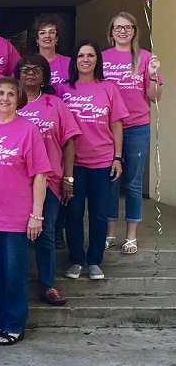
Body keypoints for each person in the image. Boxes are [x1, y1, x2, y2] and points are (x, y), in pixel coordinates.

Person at [0, 77, 51, 346]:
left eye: (10, 94)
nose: (5, 98)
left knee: (14, 274)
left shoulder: (28, 130)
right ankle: (0, 321)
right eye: (0, 93)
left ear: (19, 99)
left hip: (16, 217)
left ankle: (15, 325)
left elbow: (40, 175)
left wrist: (36, 214)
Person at [57, 40, 128, 280]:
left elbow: (116, 124)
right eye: (80, 56)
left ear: (97, 60)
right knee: (74, 213)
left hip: (102, 161)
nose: (85, 60)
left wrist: (118, 157)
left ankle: (95, 260)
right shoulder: (63, 89)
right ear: (74, 61)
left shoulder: (109, 88)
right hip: (72, 164)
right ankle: (76, 260)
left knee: (99, 213)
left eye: (90, 56)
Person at [15, 54, 81, 306]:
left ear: (44, 76)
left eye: (36, 70)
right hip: (16, 183)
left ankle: (48, 285)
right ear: (18, 74)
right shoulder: (8, 102)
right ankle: (17, 283)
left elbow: (69, 142)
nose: (30, 73)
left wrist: (69, 177)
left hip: (50, 179)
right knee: (16, 235)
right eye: (25, 69)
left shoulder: (55, 105)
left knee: (46, 233)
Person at [102, 12, 163, 254]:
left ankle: (131, 235)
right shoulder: (102, 58)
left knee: (134, 183)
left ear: (135, 31)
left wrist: (153, 76)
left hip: (137, 126)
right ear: (111, 32)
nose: (123, 31)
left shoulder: (145, 57)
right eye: (118, 28)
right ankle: (109, 233)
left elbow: (154, 97)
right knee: (110, 181)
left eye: (127, 27)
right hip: (106, 128)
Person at [30, 13, 71, 87]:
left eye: (51, 32)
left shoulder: (69, 63)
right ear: (37, 39)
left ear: (57, 38)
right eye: (42, 33)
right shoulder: (27, 64)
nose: (47, 36)